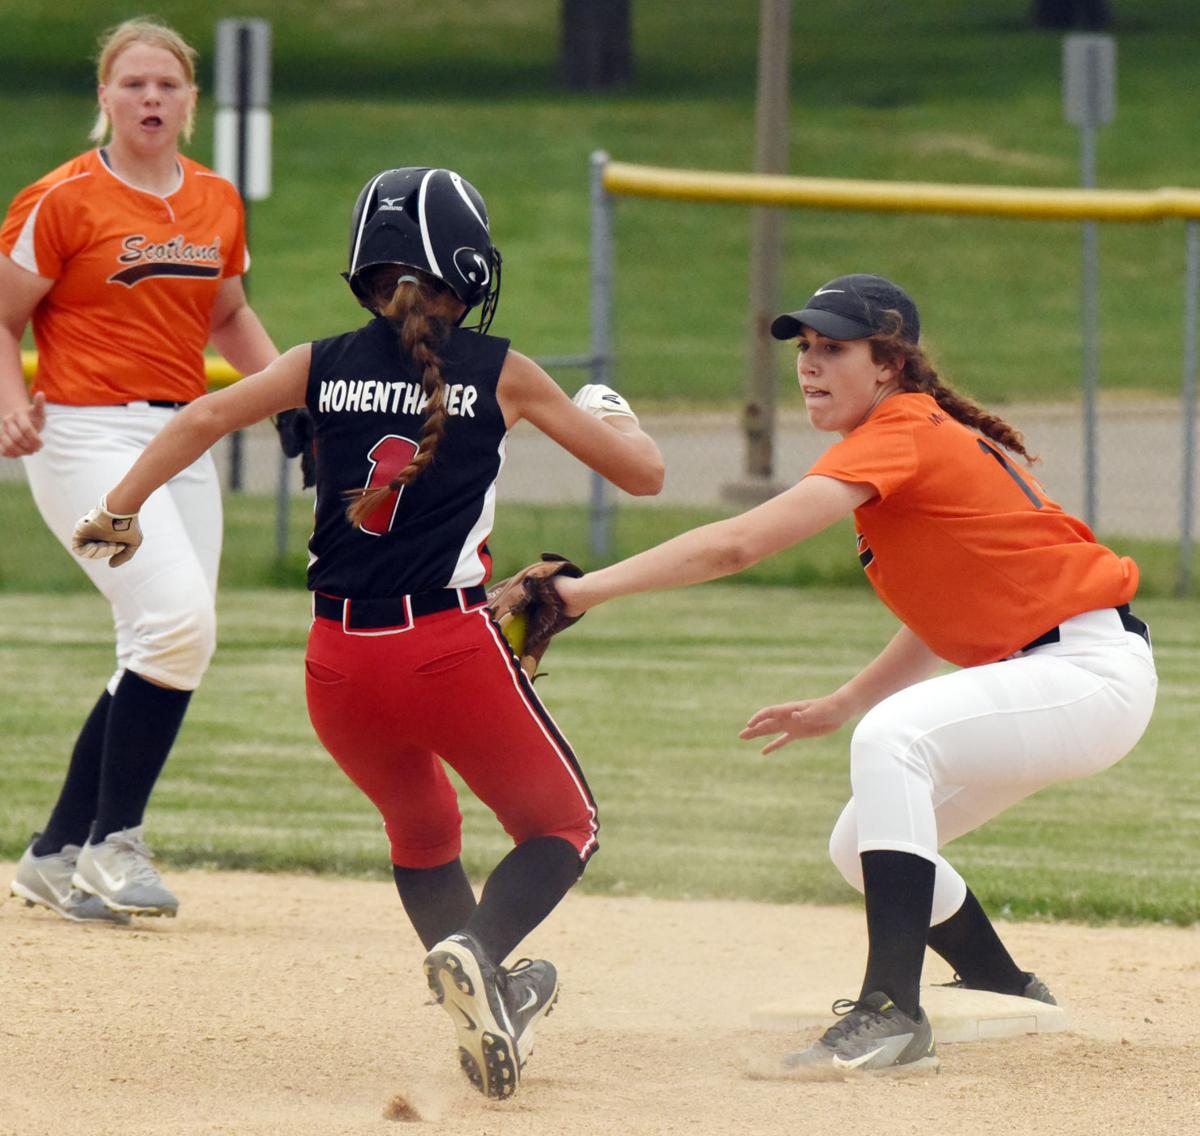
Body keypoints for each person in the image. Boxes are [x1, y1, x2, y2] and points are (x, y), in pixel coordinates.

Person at [70, 165, 665, 1097]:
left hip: (337, 667)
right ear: (468, 267)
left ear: (364, 272)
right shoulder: (502, 371)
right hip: (446, 649)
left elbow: (206, 414)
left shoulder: (317, 362)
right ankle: (479, 950)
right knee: (565, 825)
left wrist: (121, 506)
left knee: (422, 829)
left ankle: (491, 998)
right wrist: (611, 411)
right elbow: (642, 476)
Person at [550, 273, 1157, 1080]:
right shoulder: (909, 434)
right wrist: (842, 702)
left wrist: (581, 593)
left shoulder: (900, 429)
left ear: (889, 363)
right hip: (1064, 671)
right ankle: (1004, 985)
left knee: (896, 741)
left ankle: (890, 1015)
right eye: (805, 348)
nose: (810, 365)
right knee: (861, 840)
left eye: (833, 348)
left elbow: (739, 545)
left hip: (1087, 669)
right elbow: (947, 611)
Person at [1, 17, 279, 925]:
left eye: (167, 85)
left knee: (170, 642)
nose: (151, 98)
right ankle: (113, 849)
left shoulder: (215, 200)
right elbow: (3, 319)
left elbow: (229, 315)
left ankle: (52, 855)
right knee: (172, 619)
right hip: (82, 442)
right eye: (133, 85)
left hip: (185, 442)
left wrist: (285, 393)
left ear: (192, 100)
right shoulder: (62, 198)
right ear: (104, 98)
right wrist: (9, 396)